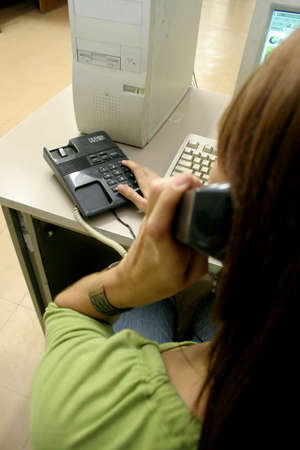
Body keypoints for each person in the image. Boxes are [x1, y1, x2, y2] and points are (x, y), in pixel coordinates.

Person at [30, 27, 300, 449]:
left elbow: (68, 314)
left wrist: (132, 278)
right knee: (213, 305)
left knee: (161, 300)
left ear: (218, 213)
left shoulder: (90, 414)